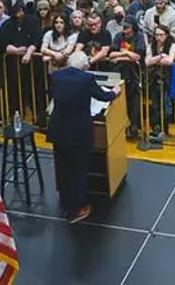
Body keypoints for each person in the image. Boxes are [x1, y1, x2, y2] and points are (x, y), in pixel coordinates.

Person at [46, 50, 119, 223]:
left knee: (63, 170)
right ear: (85, 66)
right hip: (78, 133)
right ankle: (77, 208)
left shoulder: (56, 76)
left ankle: (65, 203)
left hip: (58, 130)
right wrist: (115, 92)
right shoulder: (86, 79)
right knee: (78, 170)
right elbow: (103, 95)